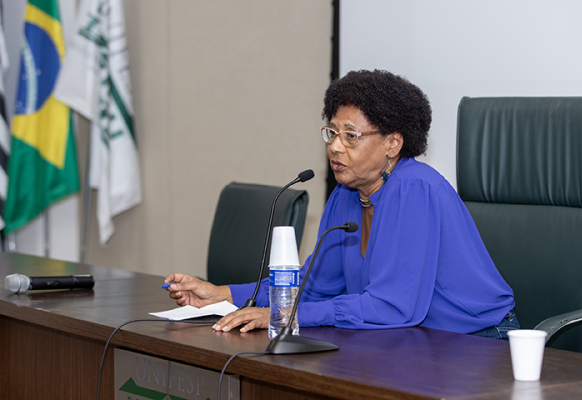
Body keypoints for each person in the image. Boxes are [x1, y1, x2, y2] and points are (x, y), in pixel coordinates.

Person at [165, 69, 519, 339]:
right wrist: (221, 294)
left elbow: (392, 306)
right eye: (332, 133)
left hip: (478, 341)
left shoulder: (416, 189)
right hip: (409, 339)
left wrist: (289, 315)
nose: (335, 147)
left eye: (351, 136)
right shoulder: (347, 194)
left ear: (393, 143)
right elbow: (313, 285)